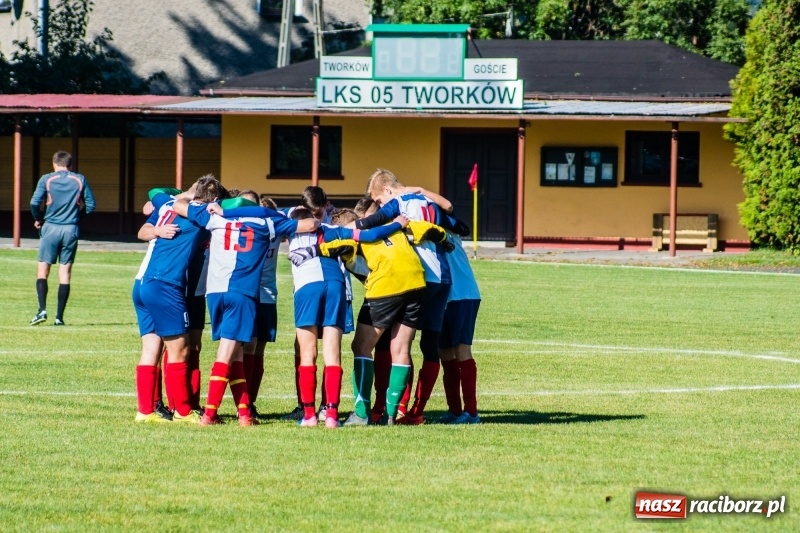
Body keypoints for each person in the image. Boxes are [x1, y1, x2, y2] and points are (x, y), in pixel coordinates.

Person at [172, 194, 315, 427]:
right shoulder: (266, 222)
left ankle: (244, 414)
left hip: (215, 293)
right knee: (226, 353)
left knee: (236, 355)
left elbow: (179, 205)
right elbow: (309, 224)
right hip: (242, 292)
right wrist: (271, 213)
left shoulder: (217, 219)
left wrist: (211, 206)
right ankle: (209, 414)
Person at [357, 169, 469, 424]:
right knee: (430, 347)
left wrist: (348, 228)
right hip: (442, 278)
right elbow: (460, 226)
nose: (381, 207)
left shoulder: (398, 204)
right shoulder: (430, 204)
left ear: (387, 191)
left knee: (394, 344)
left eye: (380, 201)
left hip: (414, 278)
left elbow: (369, 223)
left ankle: (387, 407)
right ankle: (416, 413)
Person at [132, 175, 224, 423]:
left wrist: (176, 200)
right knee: (180, 348)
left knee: (152, 348)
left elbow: (157, 193)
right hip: (165, 284)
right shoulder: (201, 213)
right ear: (214, 200)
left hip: (143, 283)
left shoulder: (165, 204)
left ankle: (145, 411)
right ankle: (184, 411)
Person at [29, 151, 96, 326]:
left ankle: (42, 310)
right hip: (71, 229)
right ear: (70, 165)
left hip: (50, 227)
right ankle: (59, 318)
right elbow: (91, 204)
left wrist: (39, 218)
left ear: (54, 164)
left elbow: (34, 202)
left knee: (43, 270)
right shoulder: (79, 179)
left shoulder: (47, 179)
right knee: (64, 273)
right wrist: (77, 218)